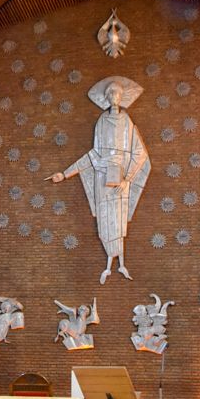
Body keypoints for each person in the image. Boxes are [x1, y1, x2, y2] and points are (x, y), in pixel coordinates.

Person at [45, 76, 150, 284]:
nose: (114, 97)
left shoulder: (127, 122)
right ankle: (109, 265)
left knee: (118, 222)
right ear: (106, 97)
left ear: (122, 97)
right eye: (110, 94)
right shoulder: (101, 121)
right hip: (102, 175)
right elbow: (94, 154)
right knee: (105, 222)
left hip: (121, 178)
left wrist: (127, 178)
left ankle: (121, 264)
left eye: (117, 93)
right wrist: (65, 174)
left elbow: (139, 153)